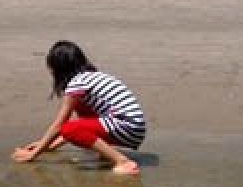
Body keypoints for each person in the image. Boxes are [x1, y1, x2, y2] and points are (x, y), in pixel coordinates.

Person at [12, 40, 145, 175]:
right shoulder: (92, 76)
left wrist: (33, 154)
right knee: (81, 113)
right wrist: (48, 145)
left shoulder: (77, 84)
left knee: (68, 128)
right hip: (135, 129)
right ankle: (108, 153)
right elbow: (84, 124)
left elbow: (61, 125)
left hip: (127, 128)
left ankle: (122, 161)